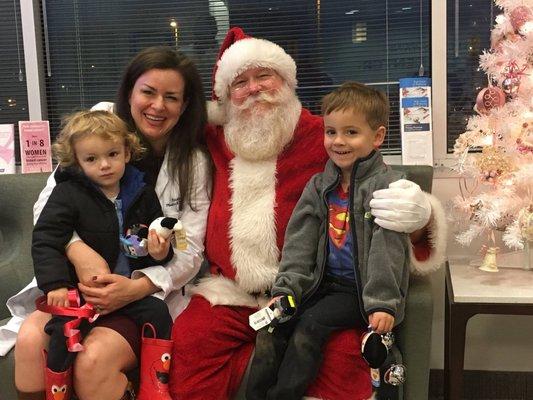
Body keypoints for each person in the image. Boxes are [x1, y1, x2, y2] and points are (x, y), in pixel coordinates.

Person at [169, 27, 446, 400]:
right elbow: (158, 121)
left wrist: (421, 215)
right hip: (229, 293)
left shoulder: (325, 137)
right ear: (224, 97)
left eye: (264, 76)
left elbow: (378, 185)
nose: (253, 89)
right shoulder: (215, 138)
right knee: (190, 343)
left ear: (286, 81)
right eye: (240, 82)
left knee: (343, 363)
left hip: (312, 290)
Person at [11, 47, 211, 400]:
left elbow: (189, 249)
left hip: (141, 293)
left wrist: (136, 287)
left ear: (185, 105)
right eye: (148, 92)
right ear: (130, 91)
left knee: (93, 360)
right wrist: (76, 249)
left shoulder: (191, 162)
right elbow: (49, 206)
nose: (158, 105)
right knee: (29, 341)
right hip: (75, 289)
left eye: (171, 97)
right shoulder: (96, 130)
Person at [245, 82, 410, 400]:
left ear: (376, 137)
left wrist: (382, 303)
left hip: (359, 292)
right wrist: (285, 291)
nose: (338, 141)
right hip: (319, 283)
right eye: (331, 132)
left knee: (311, 325)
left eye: (351, 132)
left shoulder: (388, 188)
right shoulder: (319, 186)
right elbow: (299, 243)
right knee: (272, 327)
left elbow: (388, 252)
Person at [33, 110, 175, 400]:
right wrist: (56, 285)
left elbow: (153, 237)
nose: (105, 165)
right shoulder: (68, 194)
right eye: (92, 159)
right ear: (77, 162)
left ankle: (155, 383)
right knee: (62, 332)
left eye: (112, 154)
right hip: (83, 293)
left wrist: (161, 251)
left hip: (128, 289)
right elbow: (46, 238)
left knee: (159, 312)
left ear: (127, 152)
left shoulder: (143, 192)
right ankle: (56, 392)